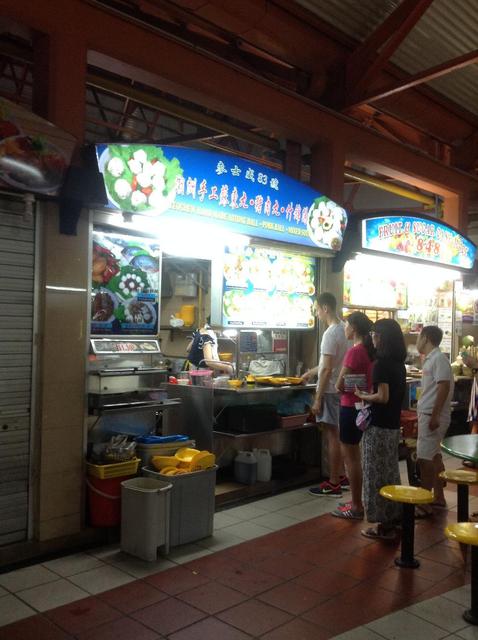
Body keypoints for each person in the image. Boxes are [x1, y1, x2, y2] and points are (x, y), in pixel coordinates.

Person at [355, 319, 406, 539]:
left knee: (374, 475)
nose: (372, 338)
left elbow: (383, 397)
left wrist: (363, 396)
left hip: (377, 428)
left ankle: (382, 525)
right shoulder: (399, 364)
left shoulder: (381, 364)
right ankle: (394, 518)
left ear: (382, 338)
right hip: (393, 426)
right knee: (390, 473)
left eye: (375, 334)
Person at [301, 292, 348, 496]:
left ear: (325, 308)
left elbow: (328, 369)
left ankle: (334, 482)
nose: (317, 314)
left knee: (332, 436)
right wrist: (311, 373)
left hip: (329, 391)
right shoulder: (345, 329)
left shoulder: (330, 334)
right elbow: (330, 364)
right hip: (340, 389)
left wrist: (318, 398)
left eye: (317, 309)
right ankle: (343, 476)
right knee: (339, 435)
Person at [331, 312, 375, 520]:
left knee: (351, 459)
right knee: (356, 457)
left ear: (354, 328)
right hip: (362, 407)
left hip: (349, 407)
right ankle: (357, 501)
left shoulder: (354, 352)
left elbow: (339, 385)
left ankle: (356, 506)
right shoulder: (369, 351)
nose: (344, 328)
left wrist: (341, 385)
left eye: (346, 324)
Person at [415, 325, 454, 514]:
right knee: (435, 456)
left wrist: (435, 415)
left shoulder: (438, 359)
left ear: (426, 338)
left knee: (424, 459)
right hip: (430, 413)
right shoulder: (432, 359)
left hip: (432, 415)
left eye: (419, 337)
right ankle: (439, 497)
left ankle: (424, 502)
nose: (417, 341)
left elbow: (443, 386)